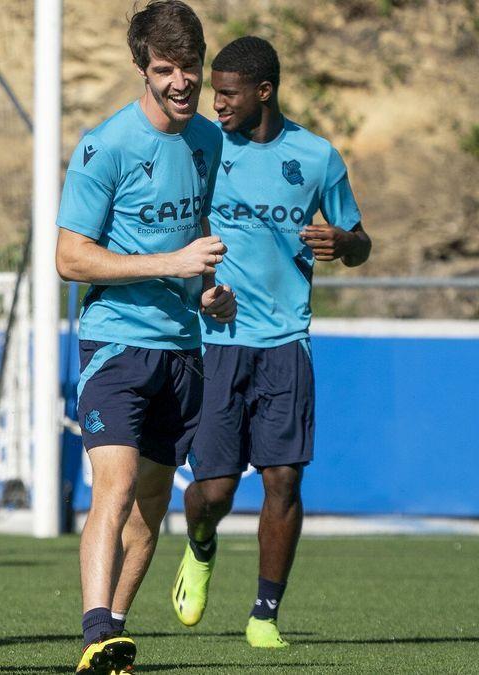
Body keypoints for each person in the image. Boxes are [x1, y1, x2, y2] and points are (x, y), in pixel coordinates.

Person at [53, 1, 236, 671]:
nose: (181, 82)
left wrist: (213, 294)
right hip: (115, 342)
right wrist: (171, 263)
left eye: (190, 67)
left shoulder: (212, 142)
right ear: (143, 69)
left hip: (184, 348)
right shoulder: (107, 145)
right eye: (165, 70)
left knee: (153, 502)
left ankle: (116, 630)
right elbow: (70, 257)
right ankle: (94, 628)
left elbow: (208, 250)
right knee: (118, 483)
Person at [171, 35, 370, 649]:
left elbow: (361, 239)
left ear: (264, 91)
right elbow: (184, 228)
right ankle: (200, 547)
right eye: (214, 93)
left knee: (284, 478)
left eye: (228, 94)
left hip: (288, 341)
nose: (217, 103)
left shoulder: (316, 157)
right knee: (214, 491)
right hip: (220, 338)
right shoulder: (204, 148)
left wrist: (345, 243)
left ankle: (264, 614)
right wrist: (204, 286)